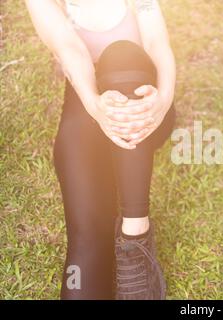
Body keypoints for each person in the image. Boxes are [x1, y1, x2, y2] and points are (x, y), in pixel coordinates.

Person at [24, 0, 176, 300]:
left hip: (145, 106)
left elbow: (156, 41)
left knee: (122, 55)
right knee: (85, 242)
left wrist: (163, 101)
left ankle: (136, 233)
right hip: (90, 102)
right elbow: (70, 48)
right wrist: (96, 106)